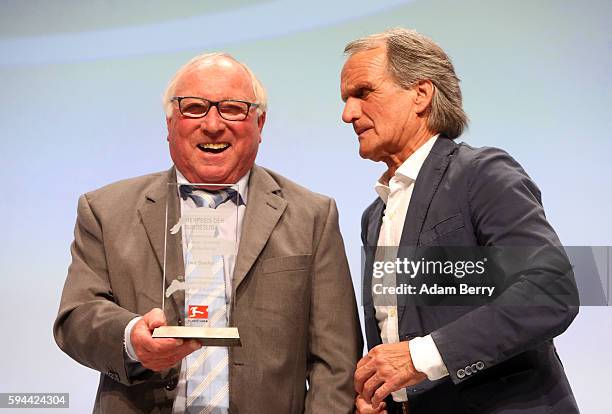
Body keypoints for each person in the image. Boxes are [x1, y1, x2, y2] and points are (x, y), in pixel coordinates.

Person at [54, 52, 362, 413]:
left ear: (260, 124)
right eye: (195, 108)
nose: (213, 125)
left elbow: (336, 363)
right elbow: (76, 317)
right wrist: (132, 339)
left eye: (232, 108)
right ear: (169, 123)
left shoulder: (312, 215)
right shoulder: (106, 210)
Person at [340, 28, 579, 413]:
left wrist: (419, 358)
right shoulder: (374, 215)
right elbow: (399, 337)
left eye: (363, 93)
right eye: (346, 100)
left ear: (421, 94)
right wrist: (387, 397)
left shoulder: (480, 173)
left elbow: (548, 292)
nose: (348, 114)